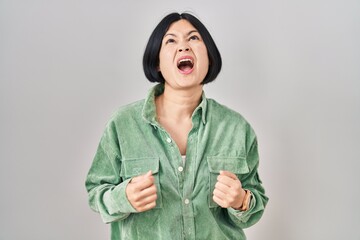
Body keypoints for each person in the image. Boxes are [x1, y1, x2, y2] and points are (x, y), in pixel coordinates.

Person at [85, 12, 268, 240]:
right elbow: (95, 192)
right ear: (157, 63)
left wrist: (241, 200)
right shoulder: (123, 124)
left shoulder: (236, 128)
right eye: (171, 40)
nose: (183, 47)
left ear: (209, 57)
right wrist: (124, 198)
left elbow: (255, 201)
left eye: (193, 38)